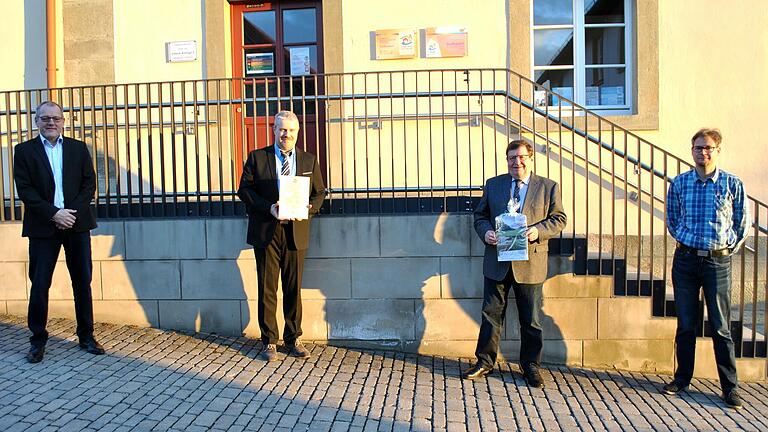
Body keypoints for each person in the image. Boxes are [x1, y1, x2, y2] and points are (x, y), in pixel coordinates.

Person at [463, 140, 566, 388]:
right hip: (497, 261)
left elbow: (559, 219)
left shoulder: (548, 187)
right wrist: (486, 232)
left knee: (530, 319)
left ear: (530, 158)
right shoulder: (494, 184)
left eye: (520, 157)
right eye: (511, 158)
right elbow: (480, 216)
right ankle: (485, 361)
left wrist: (537, 231)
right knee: (490, 315)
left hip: (529, 262)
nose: (515, 162)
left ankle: (531, 366)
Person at [663, 128, 749, 409]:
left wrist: (725, 249)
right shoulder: (679, 183)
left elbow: (741, 224)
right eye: (699, 148)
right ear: (692, 151)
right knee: (686, 324)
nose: (703, 152)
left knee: (721, 326)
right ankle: (682, 378)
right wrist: (686, 242)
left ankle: (729, 387)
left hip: (717, 262)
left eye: (708, 148)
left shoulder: (732, 184)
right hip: (686, 261)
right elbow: (672, 220)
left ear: (717, 150)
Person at [13, 101, 104, 363]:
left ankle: (86, 336)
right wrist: (54, 213)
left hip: (76, 225)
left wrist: (69, 214)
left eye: (55, 118)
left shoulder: (78, 148)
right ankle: (37, 340)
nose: (50, 122)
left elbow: (89, 184)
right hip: (43, 226)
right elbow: (25, 190)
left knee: (82, 282)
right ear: (36, 121)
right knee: (40, 284)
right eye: (45, 118)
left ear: (63, 121)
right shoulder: (24, 151)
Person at [237, 110, 325, 362]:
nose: (286, 134)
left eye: (291, 130)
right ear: (274, 130)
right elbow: (244, 190)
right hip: (267, 230)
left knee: (293, 287)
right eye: (282, 129)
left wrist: (311, 208)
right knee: (267, 287)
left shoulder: (308, 160)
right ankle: (269, 342)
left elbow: (320, 193)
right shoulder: (257, 158)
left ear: (297, 133)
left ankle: (293, 338)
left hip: (296, 231)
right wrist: (268, 207)